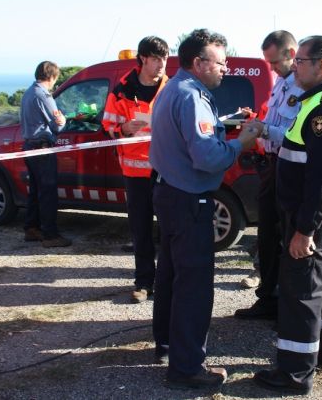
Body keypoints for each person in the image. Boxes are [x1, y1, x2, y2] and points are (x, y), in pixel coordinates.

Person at [253, 35, 322, 395]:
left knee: (301, 291)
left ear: (321, 66)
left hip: (314, 219)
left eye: (301, 60)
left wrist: (304, 229)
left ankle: (294, 374)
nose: (294, 66)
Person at [149, 29, 261, 389]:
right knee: (194, 286)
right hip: (189, 201)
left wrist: (225, 124)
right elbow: (207, 157)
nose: (225, 69)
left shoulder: (176, 89)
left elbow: (194, 136)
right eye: (220, 62)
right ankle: (186, 368)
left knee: (170, 276)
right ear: (198, 63)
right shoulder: (192, 96)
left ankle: (167, 345)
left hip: (169, 194)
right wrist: (241, 142)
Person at [234, 30, 304, 320]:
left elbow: (295, 134)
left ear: (291, 53)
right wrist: (256, 126)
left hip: (289, 166)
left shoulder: (302, 87)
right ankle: (268, 297)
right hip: (271, 164)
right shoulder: (281, 84)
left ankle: (284, 304)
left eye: (274, 62)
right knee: (267, 234)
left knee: (284, 236)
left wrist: (264, 131)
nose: (271, 69)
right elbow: (271, 119)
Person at [102, 36, 169, 303]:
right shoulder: (122, 90)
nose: (162, 64)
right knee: (141, 231)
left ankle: (166, 281)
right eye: (156, 58)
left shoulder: (171, 88)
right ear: (143, 59)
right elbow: (108, 126)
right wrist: (122, 129)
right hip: (135, 174)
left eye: (165, 58)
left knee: (168, 230)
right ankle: (144, 282)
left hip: (166, 171)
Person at [20, 61, 71, 248]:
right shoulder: (44, 95)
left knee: (35, 191)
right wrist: (64, 119)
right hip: (42, 149)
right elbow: (57, 124)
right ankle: (50, 235)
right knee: (48, 193)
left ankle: (32, 228)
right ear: (52, 77)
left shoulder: (28, 93)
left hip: (29, 147)